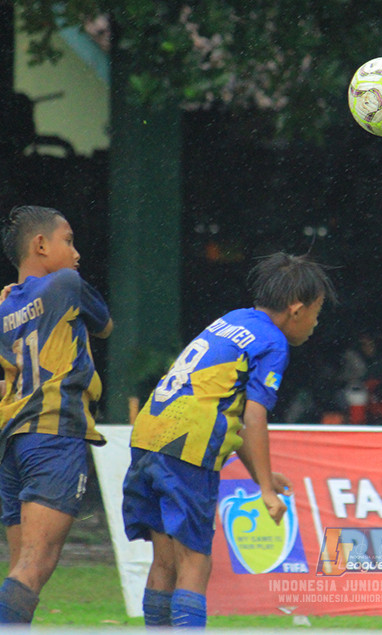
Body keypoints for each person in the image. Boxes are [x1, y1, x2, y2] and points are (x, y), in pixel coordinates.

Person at [121, 252, 335, 628]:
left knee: (165, 561)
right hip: (187, 444)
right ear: (297, 309)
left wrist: (262, 477)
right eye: (317, 312)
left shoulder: (234, 320)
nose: (316, 323)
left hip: (149, 434)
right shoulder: (274, 342)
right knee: (195, 561)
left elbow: (229, 415)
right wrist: (266, 492)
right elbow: (253, 416)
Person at [0, 205, 113, 626]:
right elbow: (106, 327)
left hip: (13, 444)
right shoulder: (67, 285)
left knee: (21, 566)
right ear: (40, 245)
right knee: (35, 566)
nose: (76, 254)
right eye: (68, 241)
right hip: (55, 434)